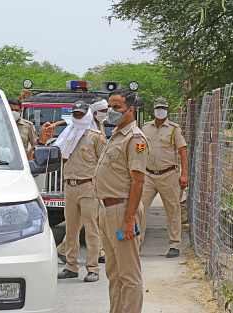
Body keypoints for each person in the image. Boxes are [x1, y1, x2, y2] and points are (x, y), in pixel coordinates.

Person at [94, 88, 148, 313]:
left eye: (117, 107)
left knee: (129, 275)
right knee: (114, 275)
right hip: (108, 210)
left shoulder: (135, 139)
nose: (112, 111)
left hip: (122, 211)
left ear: (130, 109)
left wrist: (128, 220)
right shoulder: (115, 135)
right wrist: (101, 210)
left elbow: (137, 182)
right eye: (110, 107)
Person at [55, 101, 106, 282]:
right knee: (71, 230)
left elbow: (103, 164)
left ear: (87, 115)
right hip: (70, 187)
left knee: (92, 229)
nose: (77, 117)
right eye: (75, 114)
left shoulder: (95, 136)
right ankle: (71, 266)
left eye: (80, 114)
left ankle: (93, 268)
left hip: (88, 187)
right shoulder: (67, 134)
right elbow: (60, 158)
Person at [138, 97, 188, 258]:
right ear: (153, 111)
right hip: (147, 175)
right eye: (158, 108)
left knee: (173, 210)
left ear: (167, 110)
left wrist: (184, 174)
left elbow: (182, 152)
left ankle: (174, 245)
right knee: (139, 209)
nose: (161, 110)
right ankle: (136, 244)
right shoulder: (145, 128)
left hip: (168, 175)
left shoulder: (174, 129)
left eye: (163, 108)